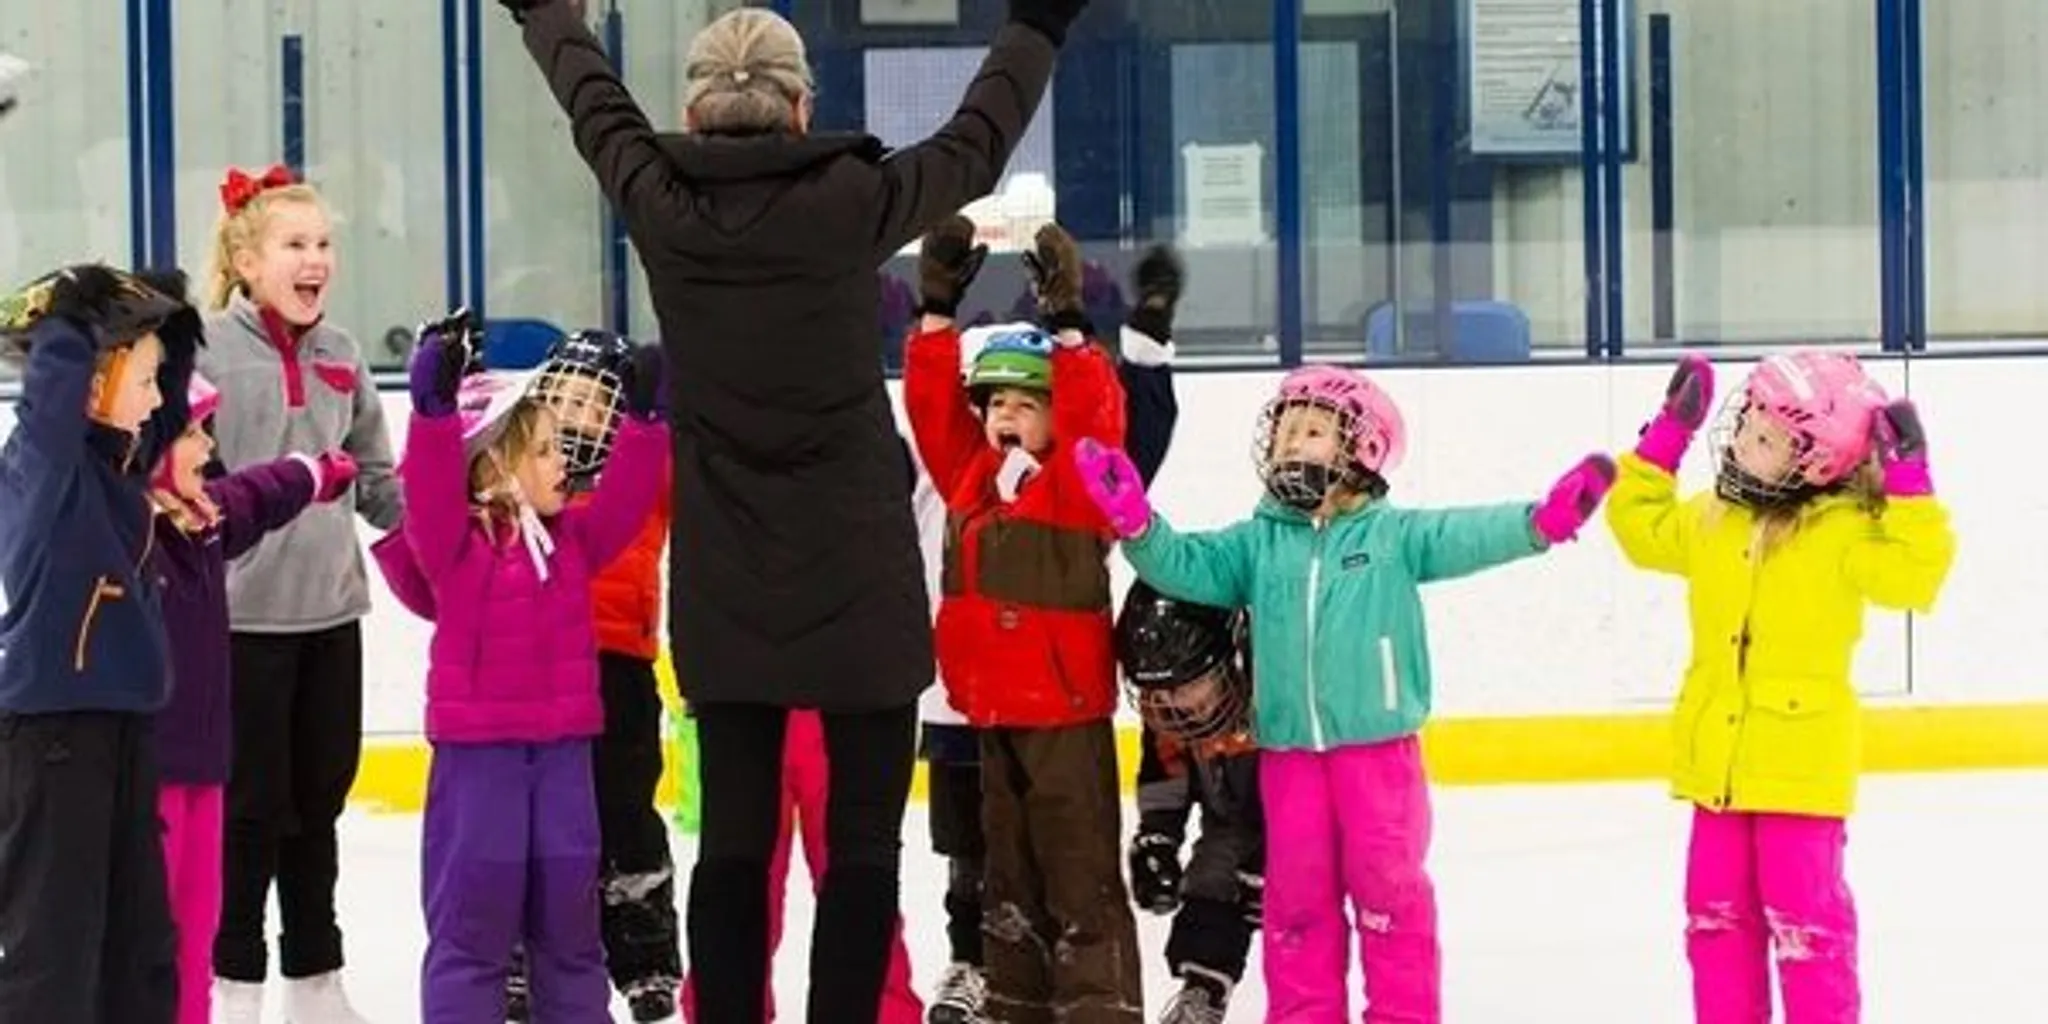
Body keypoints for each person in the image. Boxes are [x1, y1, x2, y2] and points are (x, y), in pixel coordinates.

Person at [498, 0, 1092, 1016]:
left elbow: (590, 103)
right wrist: (1037, 23)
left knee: (730, 837)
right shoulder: (849, 199)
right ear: (799, 103)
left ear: (694, 105)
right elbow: (977, 142)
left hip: (729, 571)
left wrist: (542, 11)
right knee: (862, 845)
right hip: (857, 568)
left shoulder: (658, 197)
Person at [1074, 365, 1615, 1023]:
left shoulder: (1392, 537)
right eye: (1285, 432)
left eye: (1312, 430)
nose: (1291, 444)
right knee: (1295, 910)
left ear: (1364, 449)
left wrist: (1542, 522)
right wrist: (1138, 524)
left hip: (1378, 763)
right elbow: (1186, 565)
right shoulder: (1258, 542)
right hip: (1290, 760)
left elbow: (1467, 534)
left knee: (1391, 901)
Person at [1606, 351, 1957, 1024]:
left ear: (1819, 461)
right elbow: (1638, 529)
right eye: (1746, 423)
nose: (1741, 442)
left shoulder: (1844, 536)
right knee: (1714, 924)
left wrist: (1911, 487)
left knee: (1809, 931)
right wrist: (1666, 437)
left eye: (1766, 439)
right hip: (1717, 770)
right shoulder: (1713, 518)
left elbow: (1918, 576)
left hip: (1801, 774)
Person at [397, 314, 668, 1021]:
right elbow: (427, 494)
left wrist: (644, 423)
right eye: (545, 451)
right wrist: (430, 411)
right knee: (472, 926)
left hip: (563, 757)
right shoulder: (454, 548)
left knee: (570, 927)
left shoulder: (573, 541)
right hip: (477, 760)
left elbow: (628, 502)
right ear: (496, 462)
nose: (564, 464)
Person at [904, 216, 1139, 1023]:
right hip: (989, 712)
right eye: (995, 402)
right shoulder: (970, 478)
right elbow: (935, 413)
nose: (1005, 416)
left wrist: (1072, 325)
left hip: (1065, 714)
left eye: (1025, 404)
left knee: (1076, 873)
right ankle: (1018, 1003)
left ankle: (1097, 1006)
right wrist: (936, 313)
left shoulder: (1078, 486)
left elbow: (1099, 417)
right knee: (1007, 877)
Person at [196, 163, 402, 1024]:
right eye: (294, 244)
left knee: (318, 804)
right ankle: (233, 979)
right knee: (248, 812)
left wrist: (459, 519)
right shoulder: (204, 349)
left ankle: (315, 979)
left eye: (323, 244)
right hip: (240, 625)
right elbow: (184, 483)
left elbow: (382, 484)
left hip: (331, 619)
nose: (315, 258)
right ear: (247, 261)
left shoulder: (345, 355)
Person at [0, 263, 201, 1024]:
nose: (156, 401)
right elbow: (49, 415)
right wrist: (67, 332)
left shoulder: (117, 468)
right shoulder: (40, 472)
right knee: (55, 948)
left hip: (120, 731)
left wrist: (175, 338)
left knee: (140, 945)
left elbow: (162, 413)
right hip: (52, 735)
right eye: (143, 379)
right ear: (89, 384)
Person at [148, 369, 358, 1024]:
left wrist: (311, 472)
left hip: (206, 772)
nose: (208, 449)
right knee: (147, 938)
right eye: (190, 433)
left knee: (194, 933)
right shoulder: (121, 531)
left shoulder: (203, 523)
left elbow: (254, 495)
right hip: (144, 775)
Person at [504, 329, 683, 1023]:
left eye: (595, 402)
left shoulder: (648, 465)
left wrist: (660, 405)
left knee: (626, 813)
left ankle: (645, 956)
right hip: (540, 667)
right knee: (534, 820)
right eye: (566, 398)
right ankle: (524, 951)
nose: (579, 414)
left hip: (621, 666)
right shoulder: (527, 470)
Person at [1116, 583, 1262, 1024]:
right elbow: (1166, 774)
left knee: (1304, 916)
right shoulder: (1170, 709)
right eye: (1158, 695)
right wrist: (1157, 836)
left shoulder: (1276, 704)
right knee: (1211, 874)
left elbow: (1307, 794)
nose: (1175, 705)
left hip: (1304, 829)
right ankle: (1202, 991)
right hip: (1232, 827)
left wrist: (1273, 859)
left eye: (1191, 687)